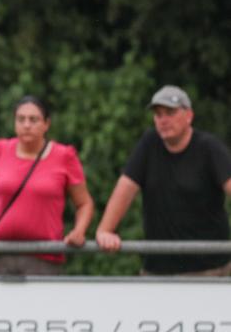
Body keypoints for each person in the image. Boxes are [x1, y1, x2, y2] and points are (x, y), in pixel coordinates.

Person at [96, 85, 231, 275]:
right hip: (158, 271)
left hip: (209, 270)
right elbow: (126, 187)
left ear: (189, 116)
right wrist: (105, 231)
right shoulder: (149, 144)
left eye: (170, 112)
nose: (163, 120)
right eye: (158, 114)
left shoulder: (209, 148)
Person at [0, 96, 94, 275]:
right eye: (21, 119)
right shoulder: (0, 150)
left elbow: (84, 203)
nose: (26, 125)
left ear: (46, 124)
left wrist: (78, 231)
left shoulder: (64, 156)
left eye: (33, 120)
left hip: (44, 258)